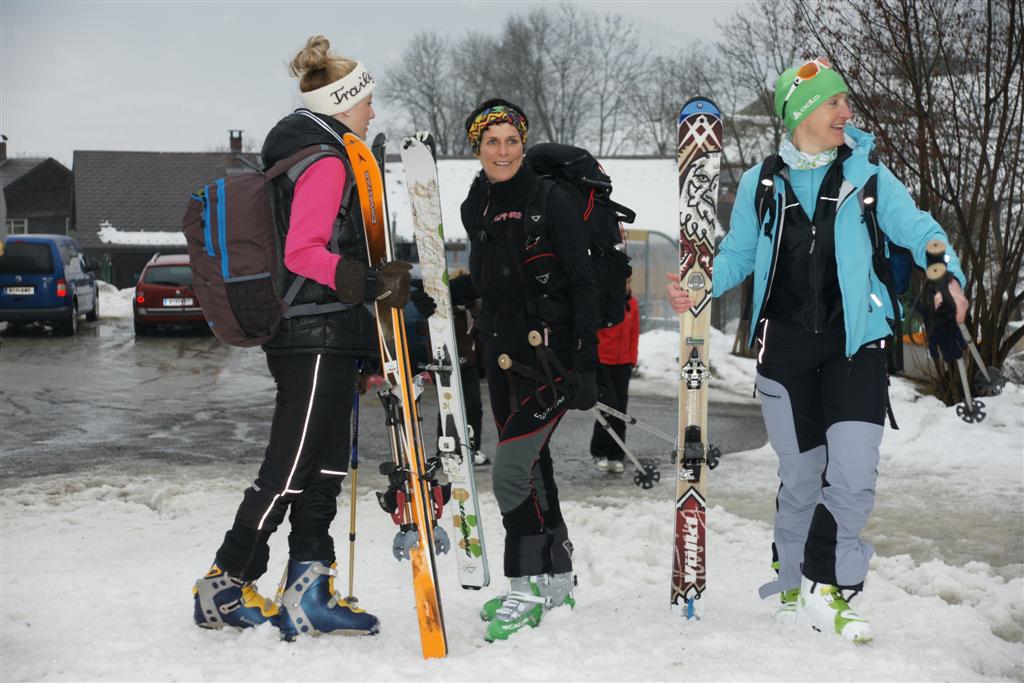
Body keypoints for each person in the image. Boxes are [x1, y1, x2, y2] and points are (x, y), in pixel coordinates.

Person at [666, 58, 968, 643]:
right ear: (802, 111)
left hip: (856, 347)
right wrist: (700, 285)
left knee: (852, 473)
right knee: (803, 476)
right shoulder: (761, 184)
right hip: (785, 351)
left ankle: (828, 587)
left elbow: (923, 231)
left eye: (844, 101)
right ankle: (792, 576)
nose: (846, 112)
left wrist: (943, 274)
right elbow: (739, 254)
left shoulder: (869, 178)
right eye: (834, 102)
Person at [192, 35, 411, 639]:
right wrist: (369, 282)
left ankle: (308, 588)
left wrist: (364, 338)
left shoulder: (327, 154)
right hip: (310, 334)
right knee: (289, 469)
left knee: (327, 468)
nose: (373, 112)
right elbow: (304, 252)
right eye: (366, 102)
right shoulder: (324, 161)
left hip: (333, 334)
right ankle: (223, 585)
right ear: (343, 103)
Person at [457, 98, 599, 641]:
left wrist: (586, 364)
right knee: (534, 467)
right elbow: (495, 279)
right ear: (477, 148)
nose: (503, 151)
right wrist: (450, 293)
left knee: (511, 470)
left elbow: (583, 283)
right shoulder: (478, 204)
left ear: (523, 142)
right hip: (499, 355)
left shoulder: (549, 201)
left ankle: (525, 585)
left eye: (512, 140)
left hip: (549, 359)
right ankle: (557, 578)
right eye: (491, 141)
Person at [589, 283, 640, 474]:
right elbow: (593, 332)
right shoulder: (603, 303)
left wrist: (632, 359)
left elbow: (634, 334)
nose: (625, 285)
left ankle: (616, 456)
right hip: (603, 363)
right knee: (608, 409)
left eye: (628, 282)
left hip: (623, 365)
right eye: (622, 281)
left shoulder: (633, 304)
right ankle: (599, 453)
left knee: (621, 412)